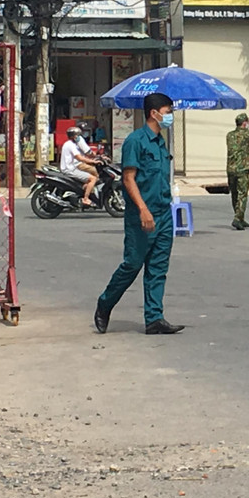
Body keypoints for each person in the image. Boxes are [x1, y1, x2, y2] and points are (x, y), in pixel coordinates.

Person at [94, 92, 184, 336]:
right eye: (167, 112)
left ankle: (154, 318)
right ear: (154, 114)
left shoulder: (161, 143)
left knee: (157, 268)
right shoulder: (136, 141)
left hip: (164, 214)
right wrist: (143, 209)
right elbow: (128, 178)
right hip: (142, 215)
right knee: (132, 265)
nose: (170, 117)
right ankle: (105, 303)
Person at [59, 125, 100, 206]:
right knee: (93, 178)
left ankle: (84, 190)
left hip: (71, 168)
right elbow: (80, 158)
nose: (79, 137)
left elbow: (86, 152)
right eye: (78, 135)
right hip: (70, 169)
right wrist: (93, 162)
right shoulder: (71, 145)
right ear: (74, 136)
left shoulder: (72, 144)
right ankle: (86, 198)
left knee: (89, 178)